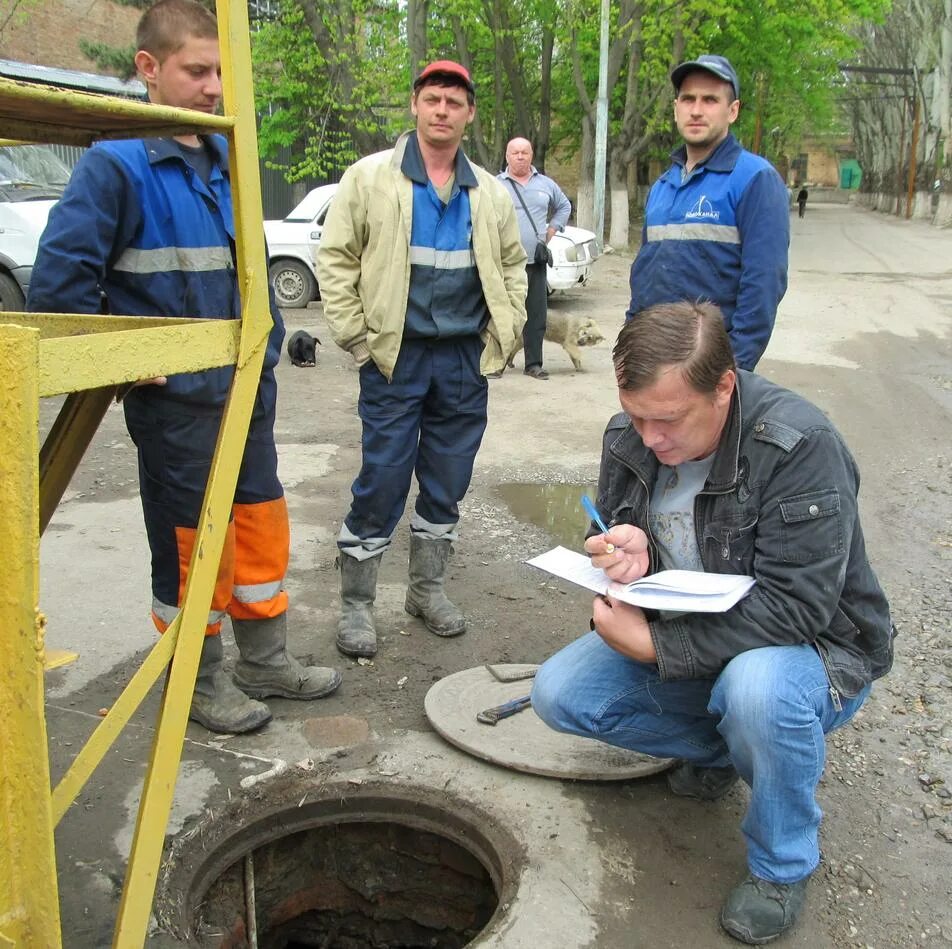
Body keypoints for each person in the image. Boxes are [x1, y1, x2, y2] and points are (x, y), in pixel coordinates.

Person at [531, 301, 895, 945]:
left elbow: (798, 608)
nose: (648, 438)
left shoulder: (799, 446)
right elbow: (612, 526)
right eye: (636, 415)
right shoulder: (631, 433)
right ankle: (734, 748)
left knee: (757, 692)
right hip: (699, 636)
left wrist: (656, 645)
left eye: (666, 420)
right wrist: (623, 547)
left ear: (724, 386)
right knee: (559, 694)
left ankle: (781, 864)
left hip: (811, 651)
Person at [28, 0, 341, 735]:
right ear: (149, 68)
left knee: (259, 531)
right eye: (197, 71)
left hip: (246, 395)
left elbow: (250, 269)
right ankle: (198, 681)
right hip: (179, 410)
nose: (213, 87)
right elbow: (59, 290)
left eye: (221, 71)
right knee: (190, 547)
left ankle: (265, 660)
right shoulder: (117, 165)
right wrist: (127, 361)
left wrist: (275, 344)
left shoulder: (228, 154)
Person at [316, 60, 527, 660]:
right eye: (432, 98)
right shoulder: (369, 179)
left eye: (453, 102)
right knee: (381, 478)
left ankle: (426, 590)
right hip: (395, 358)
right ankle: (357, 603)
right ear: (415, 104)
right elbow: (335, 259)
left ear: (469, 114)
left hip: (464, 359)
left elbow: (512, 265)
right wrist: (356, 338)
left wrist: (506, 333)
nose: (442, 110)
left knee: (447, 481)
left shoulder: (488, 190)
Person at [626, 55, 789, 371]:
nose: (696, 110)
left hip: (709, 368)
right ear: (676, 109)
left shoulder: (755, 179)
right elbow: (645, 274)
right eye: (688, 99)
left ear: (733, 111)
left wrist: (733, 369)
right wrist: (631, 348)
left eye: (710, 100)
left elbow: (763, 287)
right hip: (653, 362)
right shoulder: (664, 185)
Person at [496, 137, 571, 380]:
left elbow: (564, 206)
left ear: (531, 155)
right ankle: (496, 362)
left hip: (535, 263)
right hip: (505, 263)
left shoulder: (546, 184)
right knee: (502, 314)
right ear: (507, 156)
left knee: (536, 315)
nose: (520, 156)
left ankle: (533, 364)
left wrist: (553, 229)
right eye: (515, 152)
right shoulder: (496, 185)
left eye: (524, 152)